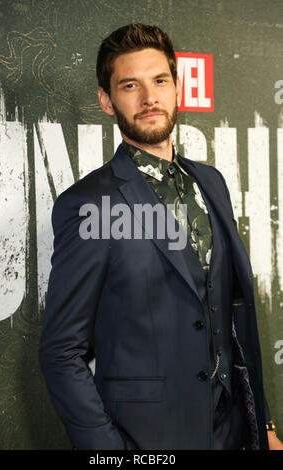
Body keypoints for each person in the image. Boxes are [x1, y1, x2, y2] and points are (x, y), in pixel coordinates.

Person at [39, 23, 283, 450]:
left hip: (233, 433)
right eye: (130, 85)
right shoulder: (87, 204)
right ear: (106, 100)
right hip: (149, 440)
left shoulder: (212, 182)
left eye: (160, 81)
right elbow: (61, 353)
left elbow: (231, 319)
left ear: (177, 89)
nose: (149, 97)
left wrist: (261, 424)